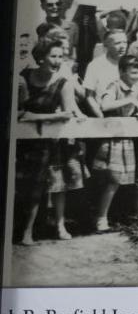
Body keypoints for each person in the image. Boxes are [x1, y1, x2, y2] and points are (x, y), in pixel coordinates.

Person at [16, 40, 87, 244]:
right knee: (32, 187)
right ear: (40, 58)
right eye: (53, 56)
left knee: (58, 186)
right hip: (27, 143)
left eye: (60, 57)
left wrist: (74, 116)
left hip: (52, 142)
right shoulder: (25, 78)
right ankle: (26, 231)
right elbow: (18, 113)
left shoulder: (63, 82)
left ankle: (59, 225)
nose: (57, 61)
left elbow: (68, 113)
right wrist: (47, 117)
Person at [93, 55, 138, 232]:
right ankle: (100, 218)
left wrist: (137, 114)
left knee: (121, 181)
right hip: (111, 137)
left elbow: (133, 110)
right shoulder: (114, 85)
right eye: (134, 71)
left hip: (126, 138)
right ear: (122, 71)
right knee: (111, 179)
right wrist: (129, 100)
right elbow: (105, 105)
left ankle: (113, 216)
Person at [83, 29, 128, 117]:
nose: (123, 46)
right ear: (106, 45)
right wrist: (100, 116)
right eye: (118, 43)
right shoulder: (95, 65)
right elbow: (89, 96)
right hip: (104, 114)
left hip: (128, 115)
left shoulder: (132, 62)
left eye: (125, 42)